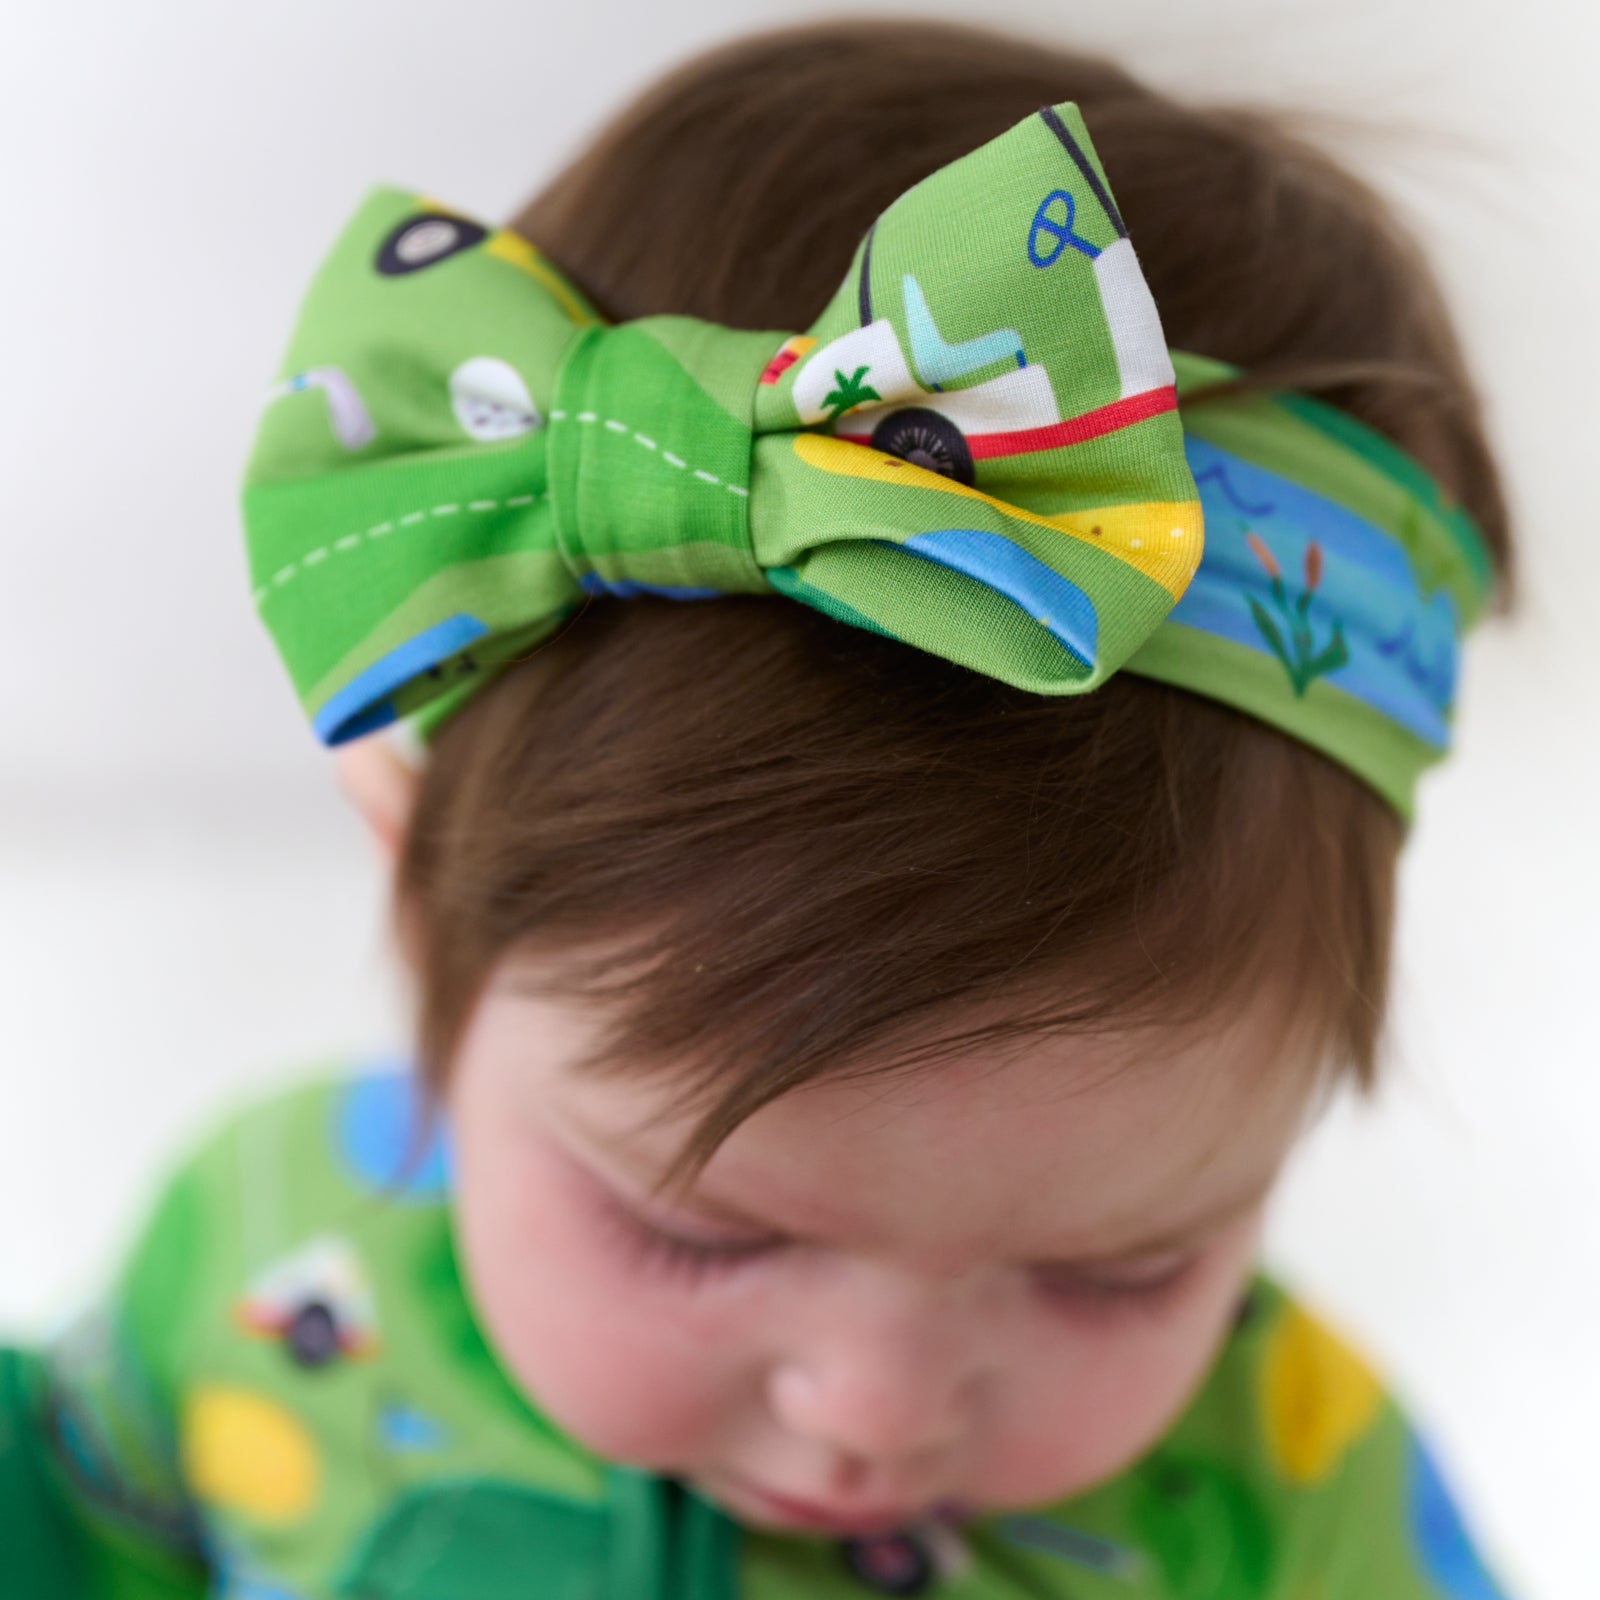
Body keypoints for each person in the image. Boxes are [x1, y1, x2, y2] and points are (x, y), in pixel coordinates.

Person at [0, 19, 1517, 1598]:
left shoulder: (1292, 1498)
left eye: (1115, 1275)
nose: (870, 1412)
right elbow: (92, 1517)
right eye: (701, 1238)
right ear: (414, 887)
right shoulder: (268, 1239)